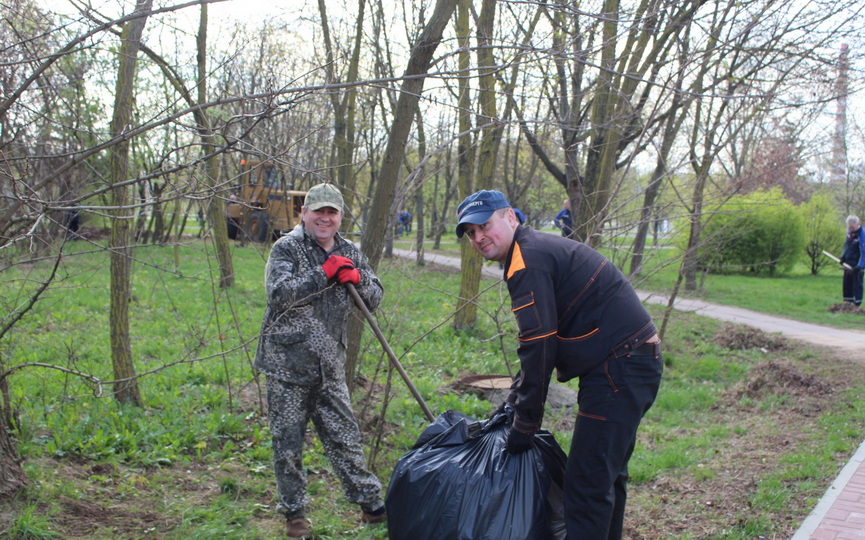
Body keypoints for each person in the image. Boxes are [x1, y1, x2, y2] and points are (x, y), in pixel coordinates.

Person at [455, 190, 663, 540]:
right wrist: (515, 401)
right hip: (629, 363)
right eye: (471, 232)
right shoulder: (531, 251)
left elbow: (539, 347)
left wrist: (525, 423)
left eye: (484, 225)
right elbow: (538, 342)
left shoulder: (527, 261)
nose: (478, 237)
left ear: (510, 217)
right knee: (605, 476)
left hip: (621, 367)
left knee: (585, 485)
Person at [254, 183, 387, 538]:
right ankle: (294, 515)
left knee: (345, 437)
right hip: (287, 365)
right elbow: (279, 296)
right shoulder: (287, 248)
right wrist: (324, 272)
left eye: (332, 212)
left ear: (341, 216)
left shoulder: (351, 251)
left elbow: (375, 296)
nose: (325, 218)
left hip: (330, 366)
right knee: (287, 444)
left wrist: (358, 279)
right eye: (319, 211)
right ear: (304, 213)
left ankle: (371, 504)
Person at [840, 215, 865, 306]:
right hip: (848, 263)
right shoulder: (849, 232)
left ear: (858, 224)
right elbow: (846, 245)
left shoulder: (862, 234)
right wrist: (843, 257)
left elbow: (863, 252)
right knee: (847, 285)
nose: (851, 228)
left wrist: (860, 266)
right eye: (849, 226)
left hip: (858, 265)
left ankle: (856, 305)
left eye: (852, 227)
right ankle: (847, 304)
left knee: (857, 285)